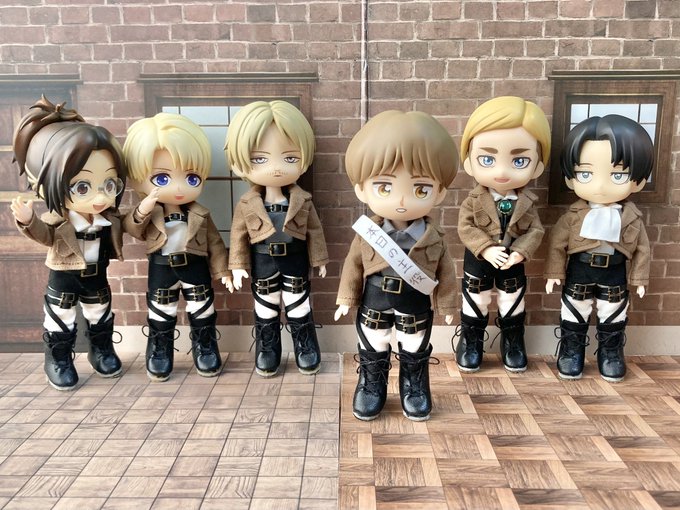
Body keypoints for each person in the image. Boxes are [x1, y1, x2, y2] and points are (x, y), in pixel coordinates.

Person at [335, 110, 458, 421]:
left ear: (439, 191)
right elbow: (353, 265)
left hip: (415, 302)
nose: (402, 200)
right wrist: (346, 298)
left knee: (414, 347)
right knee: (373, 344)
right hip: (374, 299)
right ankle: (371, 383)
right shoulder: (367, 234)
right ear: (361, 188)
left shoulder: (435, 238)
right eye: (385, 187)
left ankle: (414, 385)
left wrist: (446, 304)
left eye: (420, 189)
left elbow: (447, 272)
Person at [11, 95, 127, 390]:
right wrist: (28, 220)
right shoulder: (58, 221)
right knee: (60, 318)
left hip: (96, 276)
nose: (100, 196)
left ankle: (101, 351)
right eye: (83, 187)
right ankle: (58, 359)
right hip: (63, 277)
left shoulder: (109, 219)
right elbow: (45, 235)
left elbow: (132, 224)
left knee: (100, 314)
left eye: (109, 184)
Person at [123, 113, 230, 381]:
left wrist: (223, 271)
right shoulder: (150, 213)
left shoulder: (201, 214)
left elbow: (215, 244)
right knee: (161, 313)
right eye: (162, 178)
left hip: (195, 266)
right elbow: (132, 228)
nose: (180, 187)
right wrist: (144, 208)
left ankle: (205, 347)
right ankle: (159, 350)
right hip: (162, 268)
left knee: (202, 310)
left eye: (192, 178)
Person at [545, 114, 653, 382]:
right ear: (571, 178)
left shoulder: (631, 218)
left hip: (615, 272)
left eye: (618, 175)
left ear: (638, 181)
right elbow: (557, 244)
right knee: (574, 310)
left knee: (613, 314)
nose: (601, 185)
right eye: (585, 174)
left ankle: (611, 353)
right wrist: (554, 273)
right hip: (579, 269)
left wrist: (639, 278)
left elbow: (642, 249)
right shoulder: (572, 216)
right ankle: (571, 350)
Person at [225, 101, 328, 377]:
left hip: (295, 260)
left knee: (299, 306)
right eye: (260, 159)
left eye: (290, 158)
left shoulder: (302, 200)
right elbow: (238, 235)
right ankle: (267, 347)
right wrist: (237, 266)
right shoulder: (247, 203)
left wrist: (319, 259)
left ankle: (305, 346)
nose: (276, 168)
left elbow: (315, 231)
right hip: (263, 262)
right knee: (266, 308)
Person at [455, 96, 550, 373]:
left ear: (537, 166)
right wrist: (485, 248)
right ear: (470, 162)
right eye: (487, 159)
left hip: (512, 262)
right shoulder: (473, 200)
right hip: (479, 261)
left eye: (519, 160)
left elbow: (536, 230)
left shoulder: (527, 203)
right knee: (476, 301)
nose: (502, 171)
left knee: (512, 301)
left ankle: (513, 342)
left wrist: (520, 252)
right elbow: (465, 227)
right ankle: (471, 342)